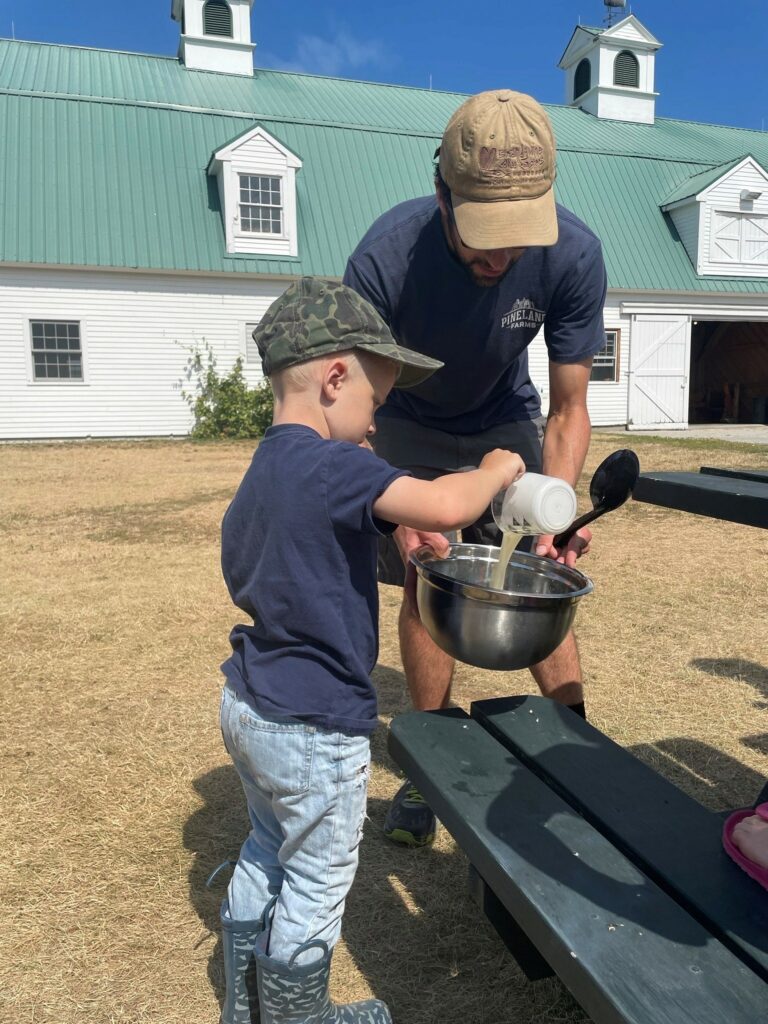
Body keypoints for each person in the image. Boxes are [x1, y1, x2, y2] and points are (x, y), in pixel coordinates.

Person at [216, 276, 525, 1024]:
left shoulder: (268, 467)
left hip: (252, 706)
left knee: (267, 843)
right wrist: (499, 467)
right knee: (320, 878)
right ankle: (299, 1016)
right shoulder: (335, 464)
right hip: (317, 726)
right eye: (374, 405)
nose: (374, 428)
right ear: (332, 379)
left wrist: (390, 526)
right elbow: (449, 505)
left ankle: (245, 1002)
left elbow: (272, 549)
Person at [343, 88, 608, 847]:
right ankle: (430, 764)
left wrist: (557, 505)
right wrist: (397, 511)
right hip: (405, 419)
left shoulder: (574, 253)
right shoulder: (387, 257)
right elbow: (350, 412)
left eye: (517, 235)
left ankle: (578, 757)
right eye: (484, 235)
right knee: (433, 575)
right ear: (442, 192)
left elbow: (567, 409)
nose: (500, 256)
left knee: (541, 576)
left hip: (501, 415)